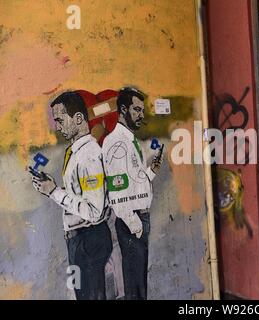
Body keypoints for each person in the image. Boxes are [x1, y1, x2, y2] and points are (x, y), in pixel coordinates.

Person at [29, 91, 112, 300]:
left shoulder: (89, 156)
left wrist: (54, 192)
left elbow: (93, 211)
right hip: (80, 239)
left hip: (88, 239)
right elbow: (80, 197)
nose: (57, 127)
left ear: (78, 118)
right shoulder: (77, 153)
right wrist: (51, 189)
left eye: (60, 120)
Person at [102, 87, 163, 300]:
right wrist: (134, 223)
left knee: (139, 286)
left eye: (142, 110)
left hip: (139, 218)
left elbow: (133, 183)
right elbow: (117, 190)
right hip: (132, 221)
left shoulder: (129, 139)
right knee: (135, 289)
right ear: (123, 109)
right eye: (136, 110)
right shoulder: (117, 142)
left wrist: (151, 172)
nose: (141, 115)